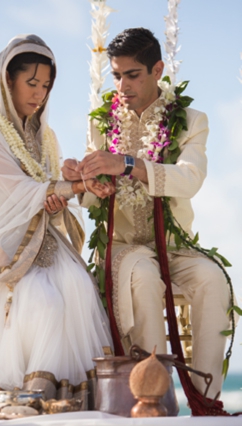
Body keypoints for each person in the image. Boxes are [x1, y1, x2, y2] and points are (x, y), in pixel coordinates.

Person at [62, 28, 231, 399]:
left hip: (174, 246)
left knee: (213, 279)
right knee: (143, 274)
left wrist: (126, 163)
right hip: (123, 248)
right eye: (116, 75)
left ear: (157, 70)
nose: (122, 85)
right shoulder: (102, 122)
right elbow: (92, 201)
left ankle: (207, 401)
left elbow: (189, 179)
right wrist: (84, 181)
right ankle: (156, 398)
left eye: (132, 74)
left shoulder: (190, 119)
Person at [0, 34, 114, 413]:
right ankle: (26, 396)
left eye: (46, 86)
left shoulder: (47, 136)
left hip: (47, 241)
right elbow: (17, 190)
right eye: (32, 83)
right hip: (6, 246)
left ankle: (64, 400)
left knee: (77, 285)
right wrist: (74, 186)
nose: (40, 93)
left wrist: (61, 198)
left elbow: (46, 198)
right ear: (8, 80)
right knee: (42, 302)